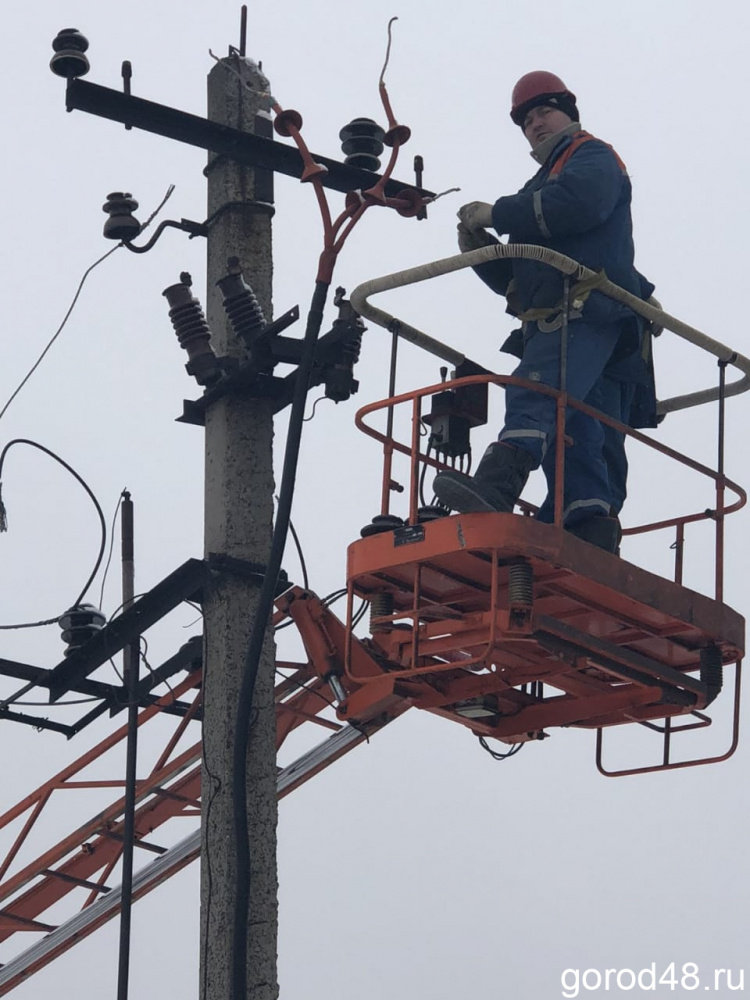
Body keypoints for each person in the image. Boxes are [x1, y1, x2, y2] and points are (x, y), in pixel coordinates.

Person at [433, 71, 657, 553]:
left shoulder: (590, 156)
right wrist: (484, 250)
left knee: (536, 390)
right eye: (526, 120)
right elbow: (523, 281)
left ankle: (500, 480)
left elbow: (580, 205)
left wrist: (497, 212)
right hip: (573, 314)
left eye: (544, 111)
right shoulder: (543, 181)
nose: (535, 124)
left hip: (587, 311)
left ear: (569, 112)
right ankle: (588, 524)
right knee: (579, 424)